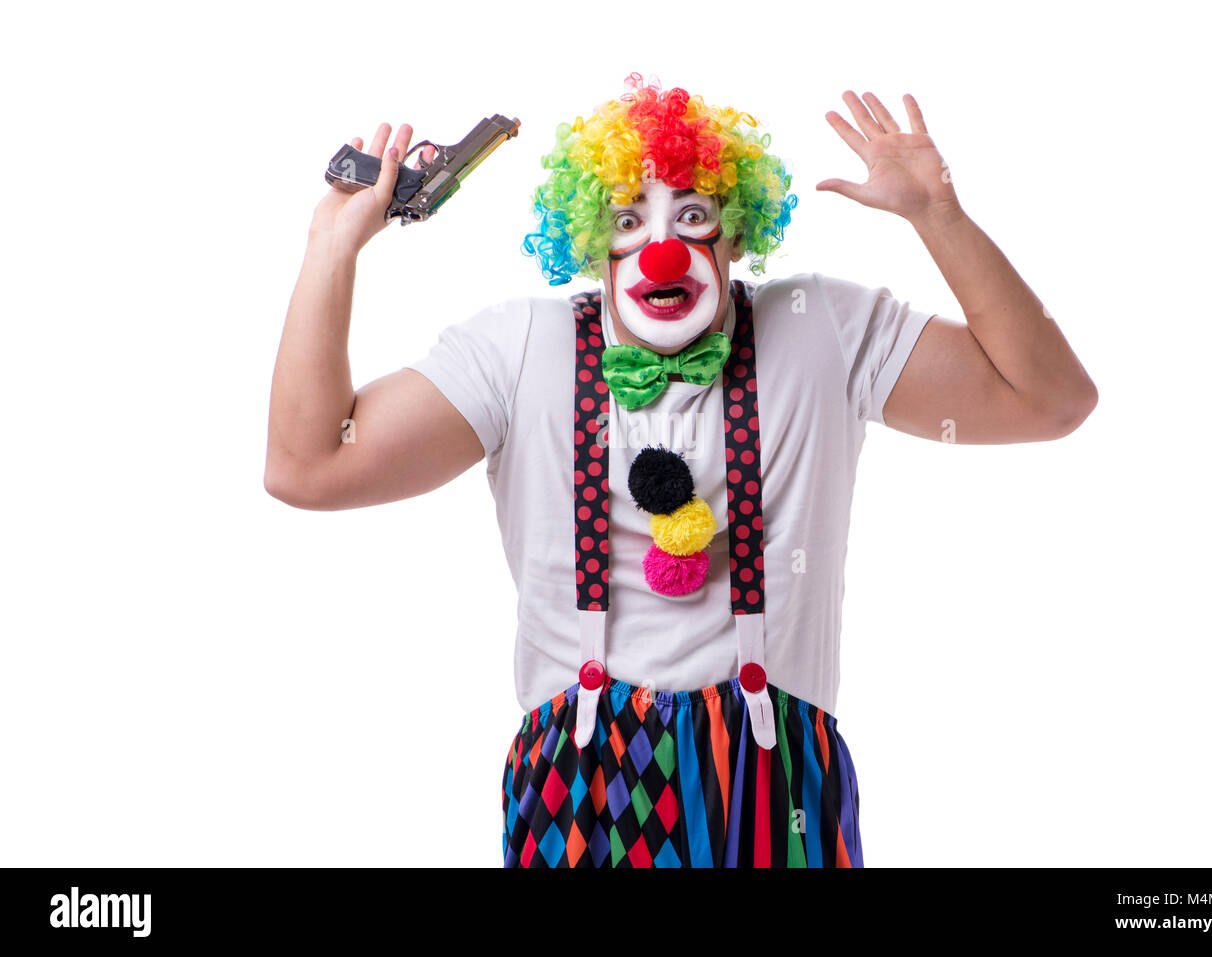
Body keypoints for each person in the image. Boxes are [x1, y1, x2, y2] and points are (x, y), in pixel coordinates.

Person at [264, 74, 1097, 868]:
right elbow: (308, 466)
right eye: (627, 222)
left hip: (776, 786)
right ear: (588, 243)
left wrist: (938, 217)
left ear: (736, 230)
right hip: (576, 786)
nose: (662, 250)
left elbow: (1051, 401)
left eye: (693, 214)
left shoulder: (822, 330)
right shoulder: (521, 348)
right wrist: (331, 248)